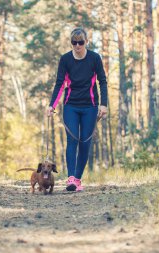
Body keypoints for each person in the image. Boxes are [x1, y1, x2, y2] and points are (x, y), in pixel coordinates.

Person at [47, 27, 108, 192]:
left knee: (85, 143)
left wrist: (104, 104)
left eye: (81, 42)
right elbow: (60, 83)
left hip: (90, 106)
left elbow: (102, 81)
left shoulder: (94, 58)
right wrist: (52, 105)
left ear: (86, 42)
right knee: (72, 139)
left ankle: (78, 179)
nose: (77, 46)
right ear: (71, 43)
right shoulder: (65, 59)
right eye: (74, 43)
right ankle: (71, 179)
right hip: (71, 105)